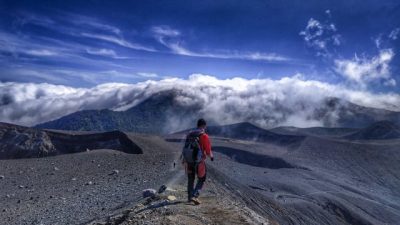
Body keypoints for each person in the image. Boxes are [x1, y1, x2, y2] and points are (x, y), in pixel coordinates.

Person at [182, 118, 213, 205]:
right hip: (199, 161)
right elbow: (208, 150)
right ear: (204, 125)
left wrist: (184, 159)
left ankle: (189, 197)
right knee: (202, 178)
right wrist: (211, 156)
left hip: (188, 160)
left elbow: (185, 146)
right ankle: (195, 196)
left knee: (191, 178)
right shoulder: (203, 135)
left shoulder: (190, 134)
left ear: (197, 125)